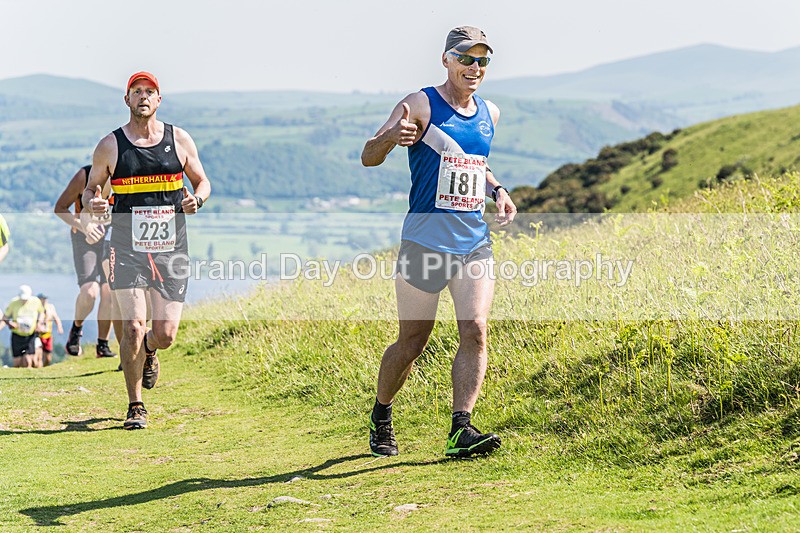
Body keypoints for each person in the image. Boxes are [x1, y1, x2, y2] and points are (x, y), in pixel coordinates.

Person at [361, 26, 517, 458]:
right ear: (446, 60)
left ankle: (460, 430)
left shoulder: (490, 112)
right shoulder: (419, 103)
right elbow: (368, 155)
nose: (475, 67)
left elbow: (475, 163)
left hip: (473, 243)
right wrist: (392, 138)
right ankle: (382, 413)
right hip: (425, 242)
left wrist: (498, 191)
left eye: (483, 60)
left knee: (476, 330)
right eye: (466, 58)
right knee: (413, 340)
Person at [83, 71, 211, 430]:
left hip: (171, 246)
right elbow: (91, 189)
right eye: (136, 91)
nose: (143, 96)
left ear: (159, 100)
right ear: (127, 100)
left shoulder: (179, 139)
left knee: (165, 333)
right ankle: (135, 404)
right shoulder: (110, 145)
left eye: (149, 92)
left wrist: (196, 200)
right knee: (135, 325)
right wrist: (94, 202)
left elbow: (202, 182)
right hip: (126, 246)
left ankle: (151, 351)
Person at [54, 165, 118, 358]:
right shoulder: (84, 176)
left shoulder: (122, 177)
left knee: (109, 291)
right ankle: (76, 329)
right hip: (84, 238)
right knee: (90, 292)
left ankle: (102, 344)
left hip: (110, 236)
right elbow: (60, 208)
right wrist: (82, 226)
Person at [0, 285, 45, 368]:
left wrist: (39, 323)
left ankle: (28, 377)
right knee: (17, 362)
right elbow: (5, 317)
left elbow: (41, 313)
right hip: (17, 335)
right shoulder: (14, 302)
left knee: (28, 361)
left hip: (30, 336)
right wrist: (10, 323)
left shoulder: (36, 301)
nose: (24, 301)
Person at [36, 293, 63, 367]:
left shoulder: (50, 308)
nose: (44, 301)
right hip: (37, 335)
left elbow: (56, 318)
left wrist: (59, 327)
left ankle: (43, 369)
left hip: (47, 335)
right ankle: (37, 370)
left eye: (45, 299)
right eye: (42, 299)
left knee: (48, 358)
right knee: (39, 356)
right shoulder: (35, 308)